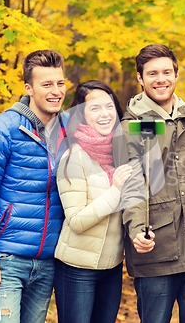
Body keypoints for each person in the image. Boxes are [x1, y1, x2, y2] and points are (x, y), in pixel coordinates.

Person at [0, 50, 67, 323]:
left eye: (60, 83)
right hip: (7, 258)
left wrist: (162, 125)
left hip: (48, 260)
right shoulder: (1, 129)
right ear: (29, 88)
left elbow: (117, 132)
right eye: (46, 85)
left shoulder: (69, 129)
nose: (56, 91)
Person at [120, 44, 185, 323]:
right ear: (140, 79)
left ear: (176, 75)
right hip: (156, 250)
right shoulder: (132, 127)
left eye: (166, 72)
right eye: (152, 74)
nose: (160, 79)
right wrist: (137, 229)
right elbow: (132, 183)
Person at [53, 80, 132, 323]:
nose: (104, 114)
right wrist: (115, 191)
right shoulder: (73, 157)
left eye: (108, 106)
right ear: (82, 115)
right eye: (94, 108)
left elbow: (159, 129)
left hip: (112, 267)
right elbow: (76, 221)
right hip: (77, 269)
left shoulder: (121, 152)